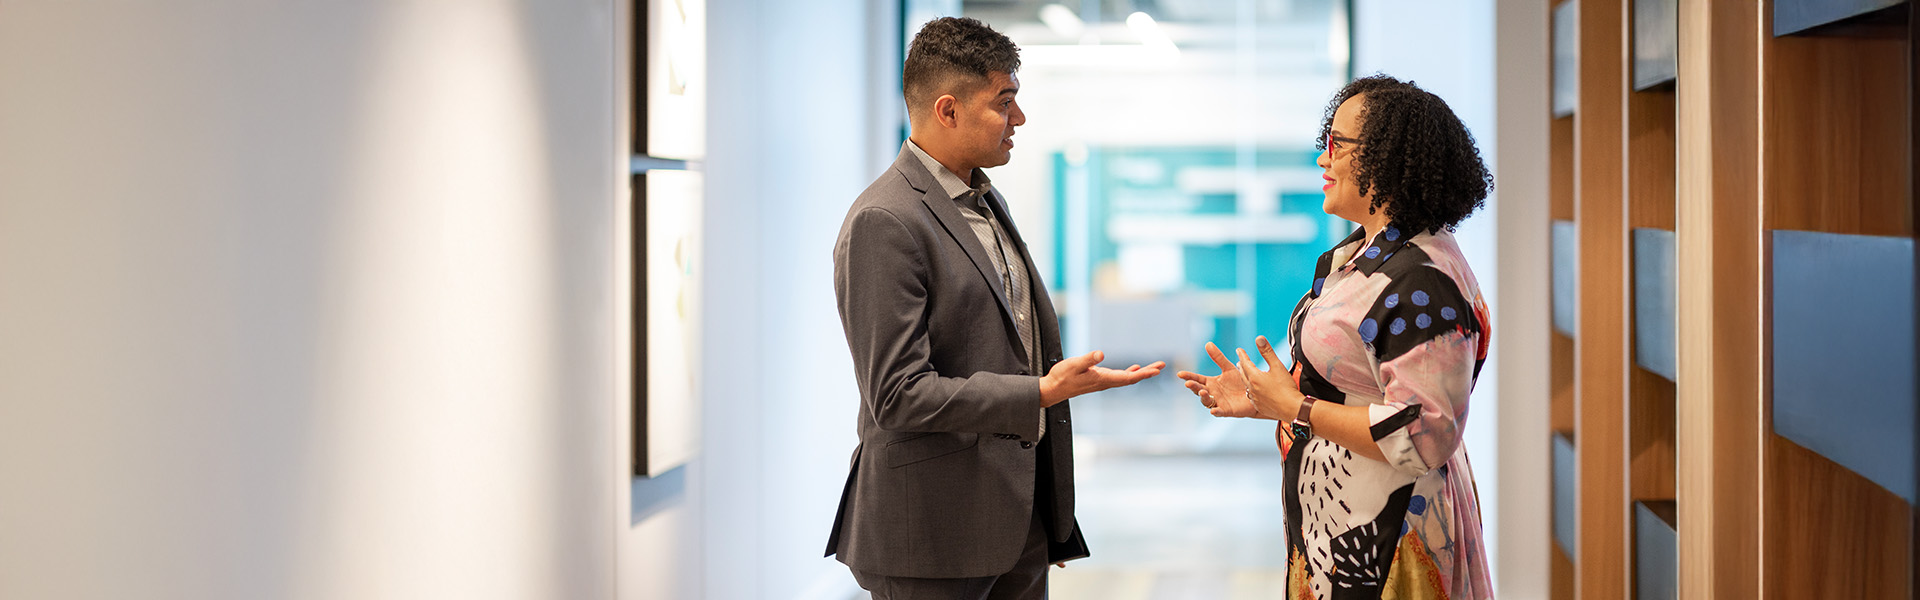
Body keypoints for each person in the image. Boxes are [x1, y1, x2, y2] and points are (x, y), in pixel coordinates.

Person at [826, 16, 1165, 600]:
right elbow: (898, 395)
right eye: (1004, 102)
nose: (1020, 119)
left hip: (1013, 523)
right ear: (948, 110)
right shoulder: (885, 221)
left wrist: (1047, 513)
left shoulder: (982, 198)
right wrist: (1039, 392)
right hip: (930, 535)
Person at [1178, 75, 1496, 600]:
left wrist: (1297, 407)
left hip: (1389, 536)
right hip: (1346, 523)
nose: (1323, 161)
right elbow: (1352, 390)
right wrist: (1270, 401)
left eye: (1337, 145)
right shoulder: (1362, 256)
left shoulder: (1421, 279)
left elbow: (1426, 435)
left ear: (1388, 159)